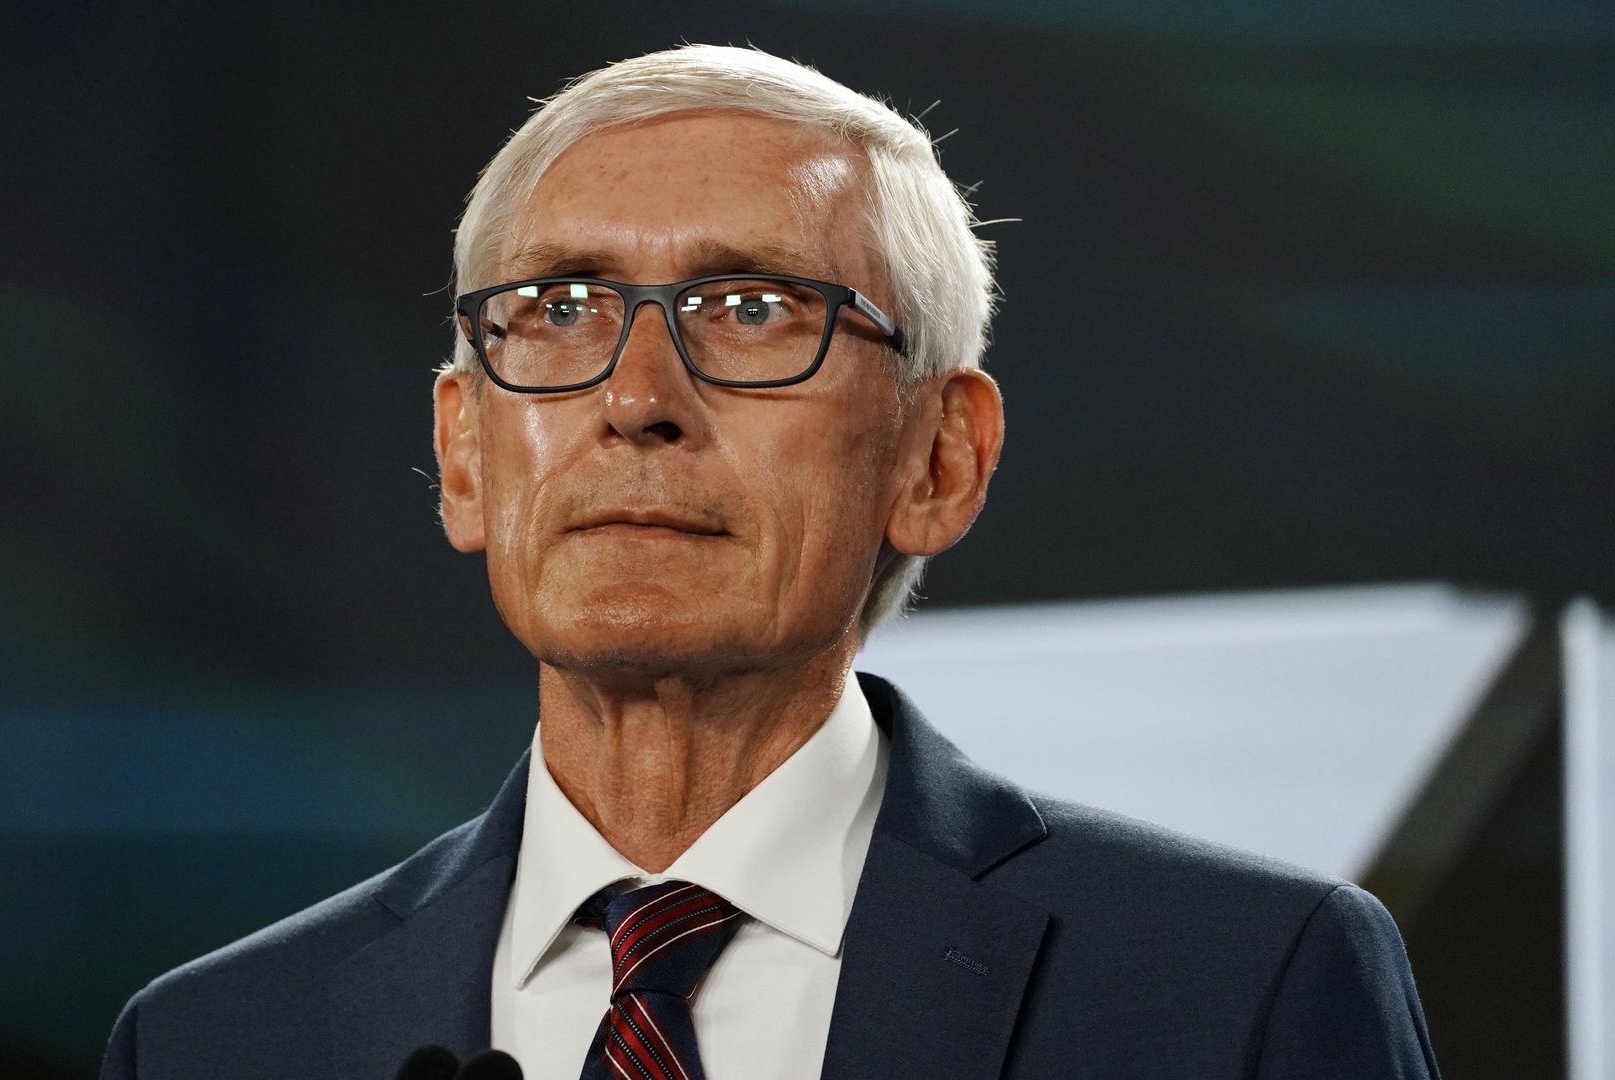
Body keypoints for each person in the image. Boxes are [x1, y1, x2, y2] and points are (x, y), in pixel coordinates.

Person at [100, 44, 1439, 1080]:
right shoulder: (220, 1040)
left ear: (939, 460)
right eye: (558, 310)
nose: (637, 395)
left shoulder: (1233, 992)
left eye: (752, 309)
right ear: (465, 456)